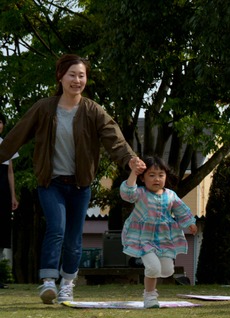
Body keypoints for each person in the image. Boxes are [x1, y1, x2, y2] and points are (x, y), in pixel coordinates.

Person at [0, 54, 144, 304]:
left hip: (80, 185)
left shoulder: (92, 110)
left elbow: (114, 138)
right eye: (72, 75)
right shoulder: (44, 107)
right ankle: (47, 281)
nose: (77, 80)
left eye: (82, 75)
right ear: (60, 77)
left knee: (74, 236)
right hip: (51, 182)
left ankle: (67, 283)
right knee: (56, 228)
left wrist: (129, 158)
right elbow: (17, 134)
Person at [120, 155, 197, 308]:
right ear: (143, 178)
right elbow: (127, 194)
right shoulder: (140, 193)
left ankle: (151, 271)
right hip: (143, 239)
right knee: (153, 268)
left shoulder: (170, 195)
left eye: (161, 175)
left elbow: (181, 210)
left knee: (167, 270)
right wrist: (133, 173)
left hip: (163, 240)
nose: (157, 179)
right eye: (152, 175)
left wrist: (190, 223)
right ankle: (150, 297)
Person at [0, 113, 19, 288]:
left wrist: (13, 195)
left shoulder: (6, 145)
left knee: (2, 232)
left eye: (0, 122)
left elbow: (10, 172)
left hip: (3, 192)